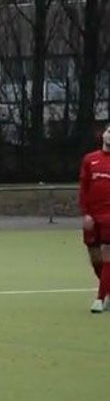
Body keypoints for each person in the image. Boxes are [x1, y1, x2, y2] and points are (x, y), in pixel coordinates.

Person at [78, 124, 110, 313]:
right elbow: (84, 188)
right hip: (92, 216)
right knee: (95, 259)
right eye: (108, 131)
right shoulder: (90, 159)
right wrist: (86, 212)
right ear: (103, 135)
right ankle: (107, 288)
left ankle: (99, 299)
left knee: (107, 255)